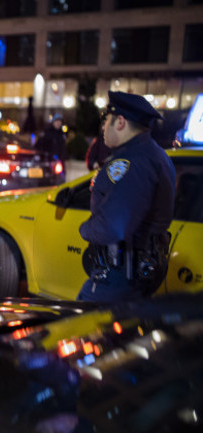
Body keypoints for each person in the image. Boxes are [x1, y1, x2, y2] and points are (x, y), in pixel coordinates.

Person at [77, 91, 176, 302]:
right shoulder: (157, 155)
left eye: (106, 121)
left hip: (117, 277)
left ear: (120, 122)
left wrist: (85, 229)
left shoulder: (131, 163)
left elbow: (113, 226)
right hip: (137, 271)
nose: (103, 128)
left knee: (80, 329)